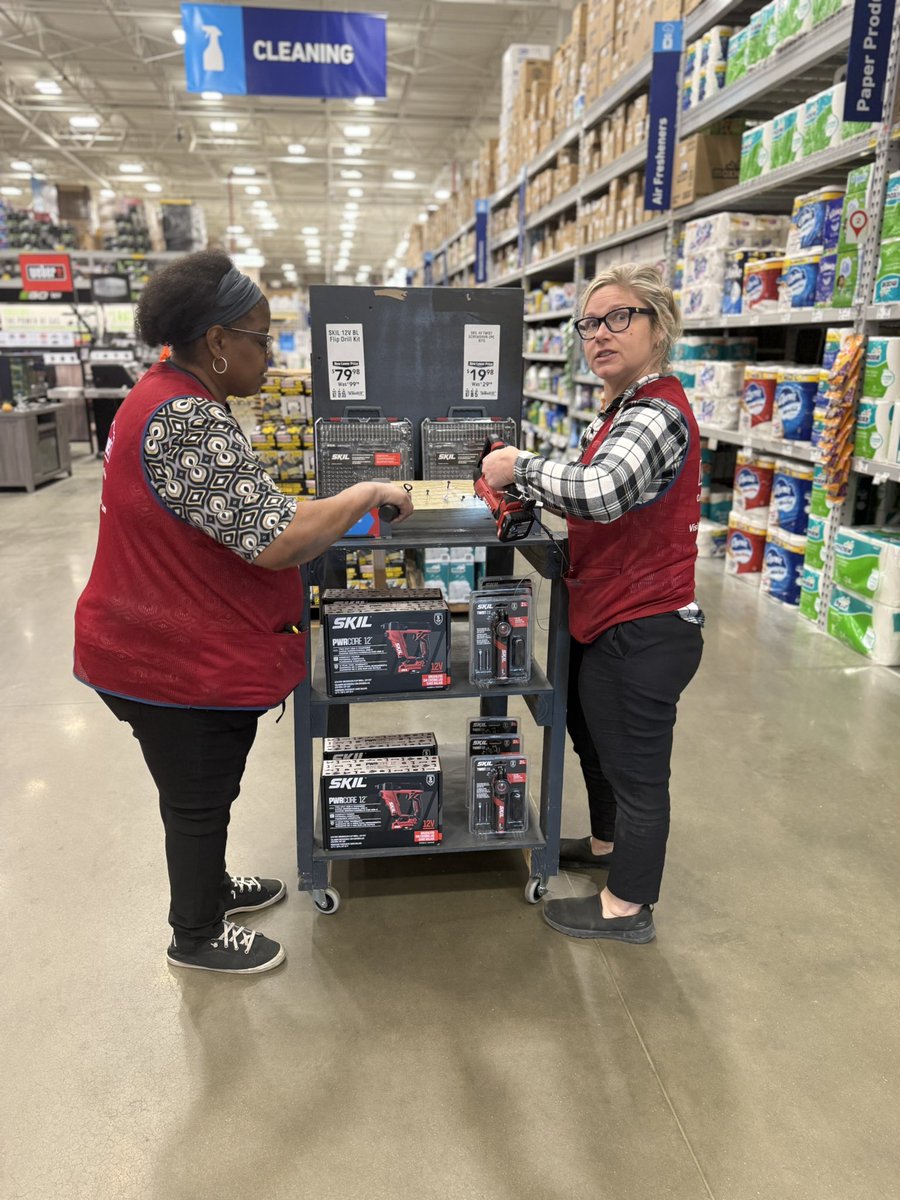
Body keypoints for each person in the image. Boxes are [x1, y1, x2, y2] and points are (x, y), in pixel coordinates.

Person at [73, 251, 413, 975]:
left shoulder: (167, 394)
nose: (269, 352)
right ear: (219, 342)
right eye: (260, 337)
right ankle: (195, 933)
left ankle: (213, 887)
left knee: (209, 788)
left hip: (158, 641)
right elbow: (275, 539)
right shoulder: (185, 418)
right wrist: (364, 494)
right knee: (197, 796)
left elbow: (235, 513)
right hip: (169, 658)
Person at [481, 263, 703, 944]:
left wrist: (519, 468)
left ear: (660, 327)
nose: (599, 334)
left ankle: (627, 907)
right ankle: (607, 845)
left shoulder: (658, 413)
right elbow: (591, 489)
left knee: (636, 771)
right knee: (596, 743)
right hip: (606, 612)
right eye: (589, 323)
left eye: (619, 318)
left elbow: (603, 491)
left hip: (646, 623)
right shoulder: (618, 411)